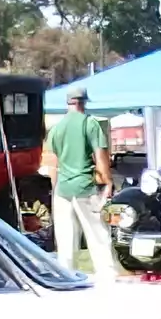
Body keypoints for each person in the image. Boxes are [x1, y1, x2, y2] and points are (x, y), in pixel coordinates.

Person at [41, 85, 119, 281]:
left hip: (62, 188)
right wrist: (108, 182)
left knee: (66, 236)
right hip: (85, 186)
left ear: (68, 103)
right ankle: (106, 273)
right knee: (96, 232)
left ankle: (66, 273)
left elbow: (53, 163)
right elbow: (100, 157)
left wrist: (55, 187)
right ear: (83, 102)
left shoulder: (57, 128)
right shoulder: (89, 124)